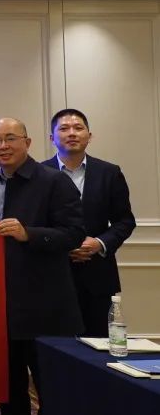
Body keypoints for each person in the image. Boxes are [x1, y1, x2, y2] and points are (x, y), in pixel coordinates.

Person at [0, 117, 85, 415]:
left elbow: (74, 234)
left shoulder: (54, 181)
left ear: (28, 142)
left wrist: (29, 234)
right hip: (0, 307)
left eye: (10, 138)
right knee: (9, 389)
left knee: (53, 388)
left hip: (44, 306)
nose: (3, 146)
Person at [43, 109, 136, 337]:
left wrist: (99, 243)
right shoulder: (39, 174)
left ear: (89, 135)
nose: (72, 133)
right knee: (55, 347)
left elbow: (125, 221)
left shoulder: (109, 172)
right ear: (52, 138)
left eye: (78, 128)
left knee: (98, 347)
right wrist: (62, 245)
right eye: (64, 129)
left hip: (98, 277)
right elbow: (34, 223)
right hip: (53, 275)